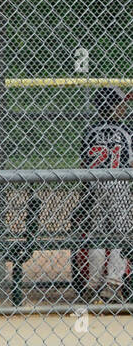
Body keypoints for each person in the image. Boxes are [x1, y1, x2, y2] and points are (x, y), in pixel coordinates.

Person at [74, 85, 133, 301]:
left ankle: (92, 284)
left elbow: (84, 164)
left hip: (95, 185)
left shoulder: (91, 132)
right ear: (113, 106)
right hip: (119, 184)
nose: (124, 107)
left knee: (97, 235)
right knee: (122, 235)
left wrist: (84, 195)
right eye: (121, 103)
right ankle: (113, 283)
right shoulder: (127, 132)